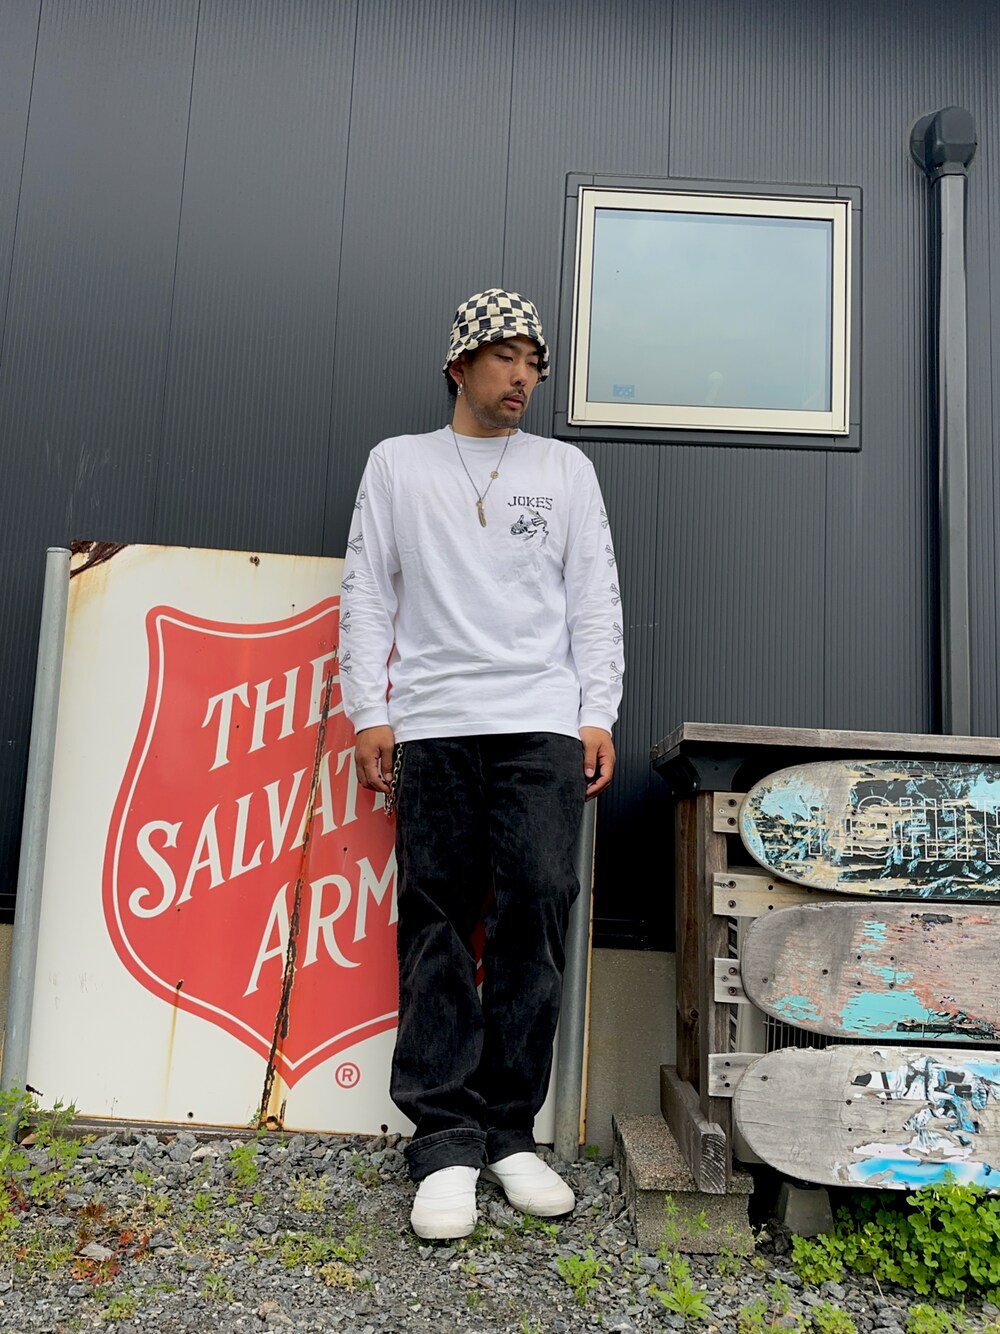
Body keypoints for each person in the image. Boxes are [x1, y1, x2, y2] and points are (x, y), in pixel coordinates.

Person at [339, 288, 624, 1240]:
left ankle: (509, 1129)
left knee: (539, 900)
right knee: (436, 915)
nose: (524, 377)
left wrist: (596, 711)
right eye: (506, 356)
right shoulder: (398, 463)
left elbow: (595, 598)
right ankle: (445, 1140)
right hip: (433, 719)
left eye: (535, 362)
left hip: (540, 720)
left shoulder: (564, 469)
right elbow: (367, 592)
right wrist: (370, 712)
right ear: (460, 364)